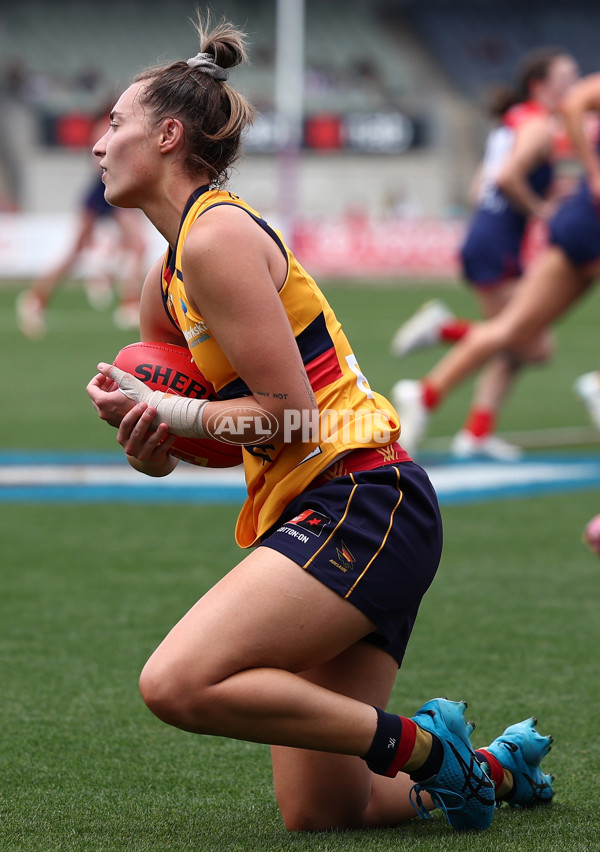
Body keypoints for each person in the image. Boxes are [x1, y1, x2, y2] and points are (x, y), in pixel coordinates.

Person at [85, 15, 553, 833]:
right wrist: (149, 439)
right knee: (323, 810)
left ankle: (431, 751)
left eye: (115, 123)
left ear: (166, 134)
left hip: (364, 501)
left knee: (176, 683)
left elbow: (292, 416)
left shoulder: (218, 234)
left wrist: (175, 408)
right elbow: (201, 435)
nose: (98, 143)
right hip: (328, 509)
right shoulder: (164, 280)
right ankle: (492, 770)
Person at [392, 72, 600, 458]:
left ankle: (474, 429)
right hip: (501, 240)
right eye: (564, 77)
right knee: (529, 343)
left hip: (495, 232)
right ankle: (441, 341)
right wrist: (541, 210)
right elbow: (506, 178)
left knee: (517, 339)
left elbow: (481, 185)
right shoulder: (537, 125)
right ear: (540, 83)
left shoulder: (516, 121)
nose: (570, 85)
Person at [16, 108, 147, 340]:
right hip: (103, 189)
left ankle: (129, 302)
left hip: (114, 187)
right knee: (77, 249)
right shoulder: (105, 126)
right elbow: (98, 161)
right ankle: (36, 297)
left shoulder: (115, 125)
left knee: (137, 244)